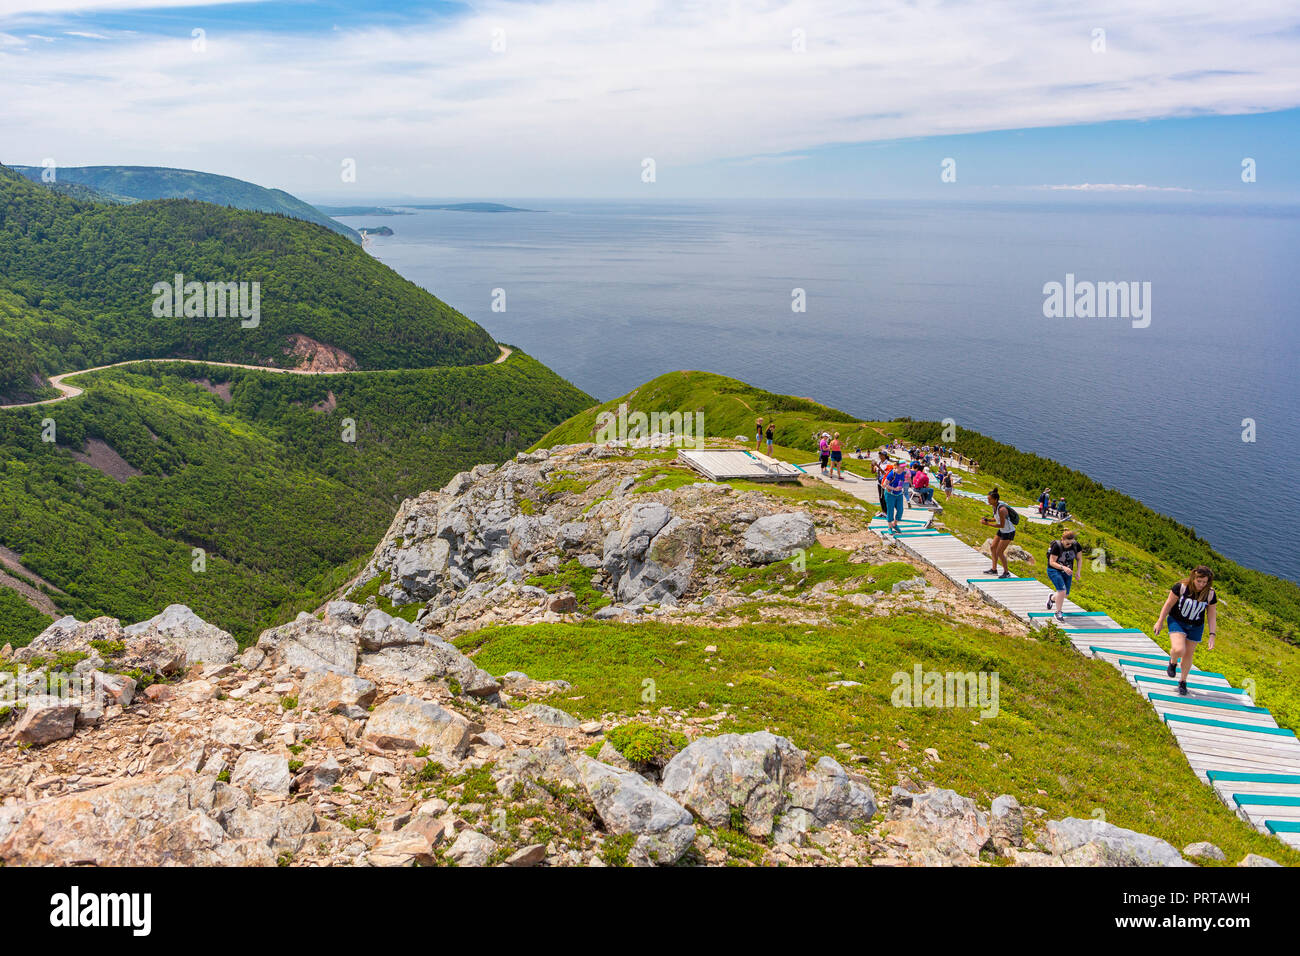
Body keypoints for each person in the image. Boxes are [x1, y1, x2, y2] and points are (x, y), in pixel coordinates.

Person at [1154, 566, 1218, 696]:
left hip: (1196, 626)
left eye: (1205, 582)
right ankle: (1172, 662)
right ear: (1193, 578)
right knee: (1178, 650)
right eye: (1199, 581)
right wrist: (1160, 621)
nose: (1201, 585)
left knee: (1188, 655)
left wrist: (1212, 635)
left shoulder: (1210, 594)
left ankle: (1183, 681)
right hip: (1177, 621)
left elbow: (1211, 615)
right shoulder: (1181, 587)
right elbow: (1168, 604)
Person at [1045, 529, 1083, 622]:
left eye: (1071, 543)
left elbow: (1079, 559)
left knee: (1065, 594)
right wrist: (1063, 567)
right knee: (1062, 591)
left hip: (1068, 571)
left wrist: (1078, 572)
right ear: (1062, 539)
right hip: (1054, 570)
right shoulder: (1056, 546)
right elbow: (1052, 562)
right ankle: (1058, 612)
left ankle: (1052, 598)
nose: (1069, 545)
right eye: (1067, 543)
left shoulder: (1076, 545)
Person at [979, 487, 1016, 578]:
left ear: (995, 499)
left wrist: (987, 524)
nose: (988, 500)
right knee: (992, 547)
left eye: (989, 499)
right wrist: (988, 519)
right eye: (988, 499)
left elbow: (1001, 525)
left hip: (1008, 532)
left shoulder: (1001, 509)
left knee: (999, 552)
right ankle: (994, 569)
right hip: (1002, 530)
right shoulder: (994, 507)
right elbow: (996, 519)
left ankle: (1006, 573)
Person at [882, 457, 909, 532]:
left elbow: (901, 481)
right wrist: (894, 489)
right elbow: (884, 484)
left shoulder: (903, 472)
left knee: (900, 510)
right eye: (902, 467)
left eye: (904, 466)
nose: (904, 468)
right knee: (890, 510)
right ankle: (889, 527)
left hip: (899, 494)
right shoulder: (892, 474)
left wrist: (900, 487)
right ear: (897, 466)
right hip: (890, 494)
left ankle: (895, 524)